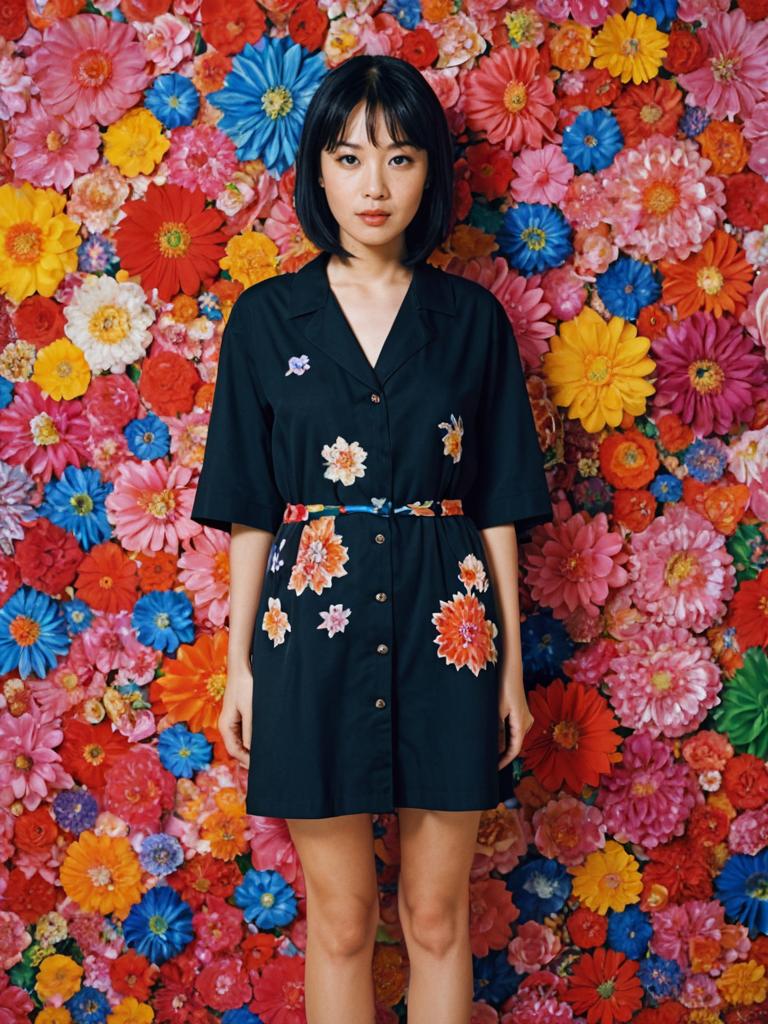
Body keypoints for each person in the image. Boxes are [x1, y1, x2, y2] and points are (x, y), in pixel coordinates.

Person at [191, 54, 553, 1024]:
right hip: (308, 638)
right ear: (317, 170)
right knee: (343, 920)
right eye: (350, 158)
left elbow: (499, 504)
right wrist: (238, 667)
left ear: (431, 169)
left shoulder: (473, 324)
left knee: (436, 915)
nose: (374, 184)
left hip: (452, 634)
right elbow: (251, 508)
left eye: (398, 158)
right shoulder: (266, 322)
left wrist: (511, 665)